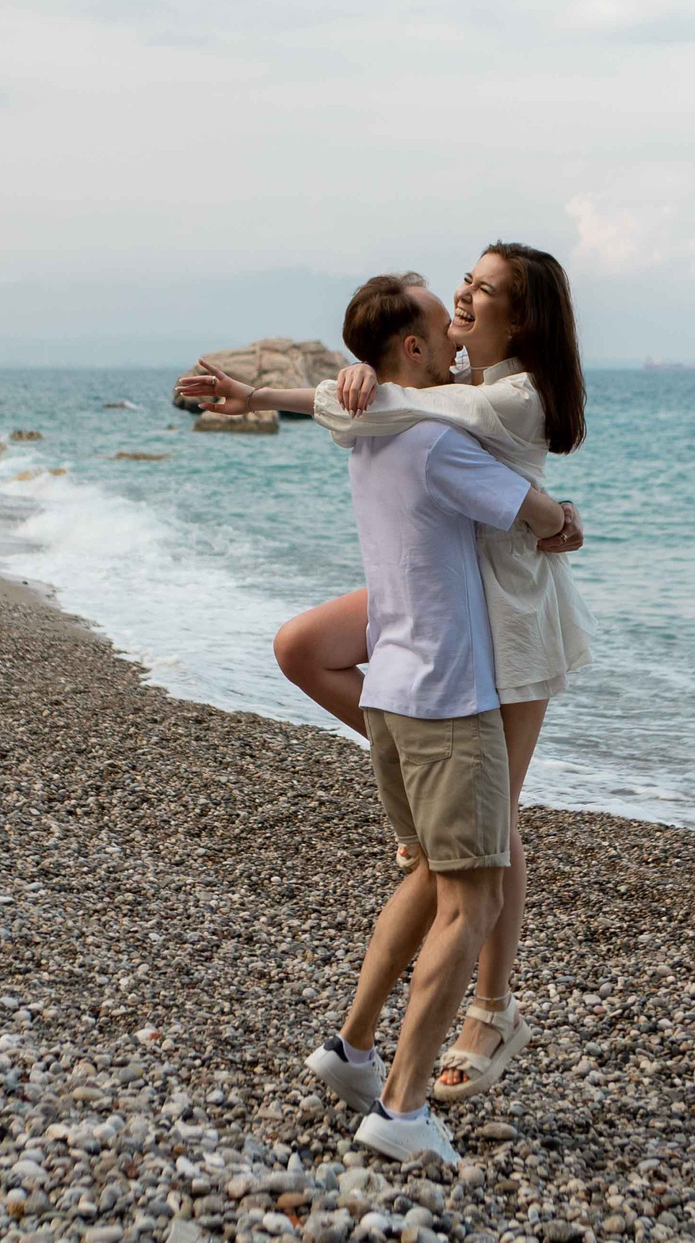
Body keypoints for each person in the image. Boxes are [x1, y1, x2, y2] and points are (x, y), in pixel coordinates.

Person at [175, 243, 589, 1102]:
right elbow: (389, 402)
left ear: (525, 317)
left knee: (493, 822)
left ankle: (492, 1005)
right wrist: (297, 391)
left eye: (486, 290)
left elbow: (408, 406)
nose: (467, 296)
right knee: (306, 651)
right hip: (441, 594)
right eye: (465, 282)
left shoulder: (509, 397)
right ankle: (433, 781)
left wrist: (354, 386)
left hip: (506, 612)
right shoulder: (438, 392)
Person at [287, 272, 569, 1164]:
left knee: (435, 874)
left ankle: (351, 1050)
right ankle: (405, 1110)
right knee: (476, 891)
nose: (453, 316)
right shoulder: (441, 440)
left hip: (389, 695)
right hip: (451, 699)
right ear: (411, 349)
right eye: (437, 312)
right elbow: (533, 511)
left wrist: (338, 383)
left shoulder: (373, 435)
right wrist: (560, 517)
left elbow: (355, 403)